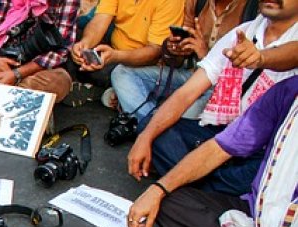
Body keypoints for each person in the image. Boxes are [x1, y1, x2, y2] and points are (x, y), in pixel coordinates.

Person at [127, 75, 298, 227]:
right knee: (170, 201)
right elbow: (221, 147)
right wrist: (158, 190)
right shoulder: (289, 91)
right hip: (260, 214)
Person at [127, 0, 298, 196]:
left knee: (262, 175)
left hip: (265, 150)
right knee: (151, 128)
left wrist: (261, 57)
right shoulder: (243, 33)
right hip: (220, 134)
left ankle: (188, 185)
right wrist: (144, 138)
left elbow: (293, 53)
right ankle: (200, 188)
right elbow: (186, 93)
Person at [111, 0, 257, 123]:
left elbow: (249, 71)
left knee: (185, 113)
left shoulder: (251, 9)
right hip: (190, 75)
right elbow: (178, 61)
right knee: (121, 73)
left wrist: (205, 55)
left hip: (222, 88)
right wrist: (174, 49)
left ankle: (150, 123)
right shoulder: (197, 2)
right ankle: (155, 125)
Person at [66, 0, 185, 105]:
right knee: (70, 41)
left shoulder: (171, 2)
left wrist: (115, 56)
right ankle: (108, 91)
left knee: (111, 72)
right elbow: (99, 20)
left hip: (139, 62)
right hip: (114, 48)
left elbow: (154, 53)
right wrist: (85, 44)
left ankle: (99, 90)